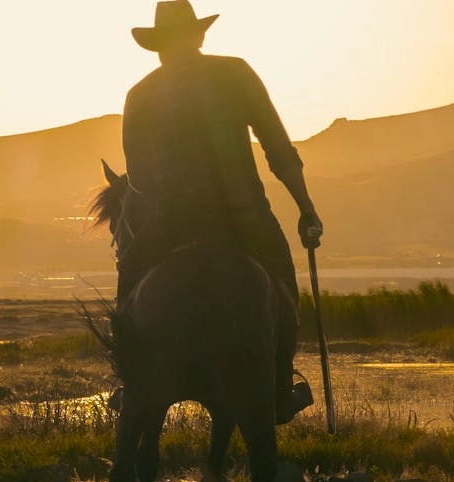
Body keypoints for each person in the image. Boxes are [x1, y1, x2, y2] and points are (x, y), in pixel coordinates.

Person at [113, 0, 324, 424]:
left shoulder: (139, 95)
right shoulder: (236, 73)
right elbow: (280, 153)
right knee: (283, 288)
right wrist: (307, 209)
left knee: (129, 286)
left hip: (169, 222)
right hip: (245, 215)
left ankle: (131, 386)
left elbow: (137, 178)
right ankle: (279, 389)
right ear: (200, 36)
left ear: (157, 48)